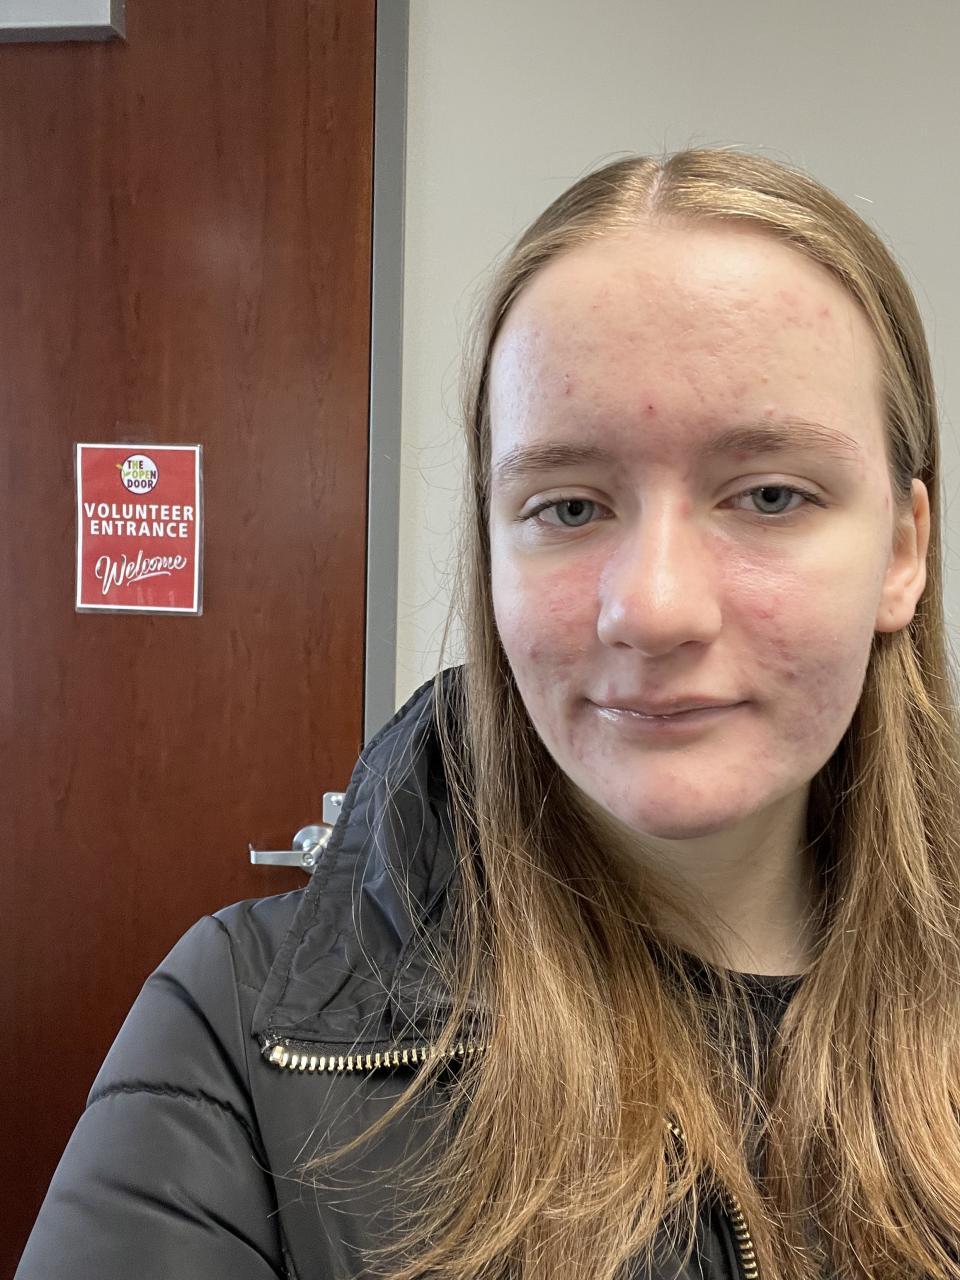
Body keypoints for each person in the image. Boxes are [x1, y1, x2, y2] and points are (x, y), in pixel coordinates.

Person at [15, 146, 960, 1280]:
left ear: (902, 551)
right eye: (569, 506)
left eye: (769, 494)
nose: (653, 608)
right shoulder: (235, 1032)